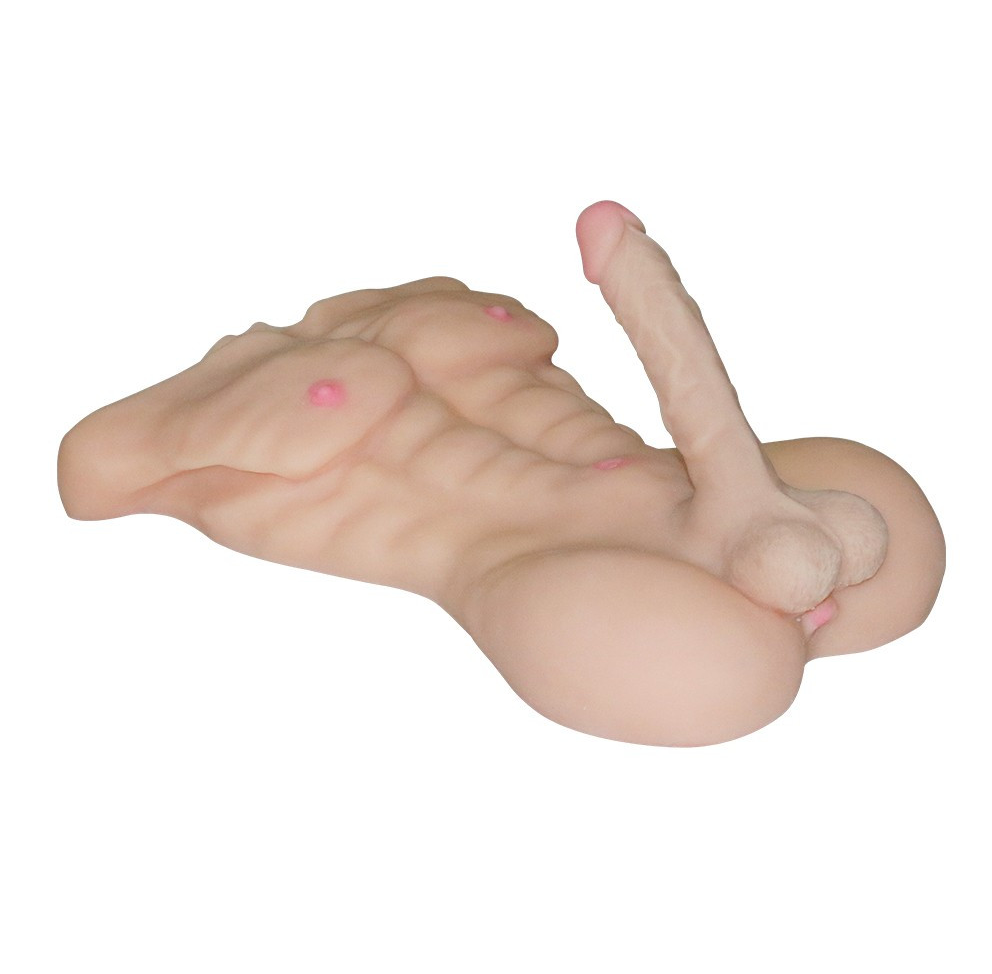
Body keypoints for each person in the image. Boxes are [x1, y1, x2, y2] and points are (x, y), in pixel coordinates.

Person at [57, 201, 945, 746]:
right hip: (547, 560)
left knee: (886, 550)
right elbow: (89, 469)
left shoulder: (435, 323)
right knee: (719, 675)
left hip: (673, 505)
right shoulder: (212, 422)